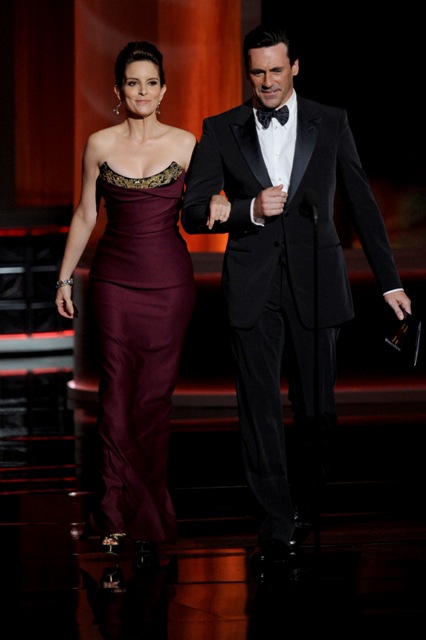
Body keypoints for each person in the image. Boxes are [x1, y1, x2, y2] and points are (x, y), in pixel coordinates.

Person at [181, 24, 411, 578]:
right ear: (248, 72)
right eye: (257, 72)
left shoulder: (331, 121)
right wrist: (248, 210)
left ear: (296, 67)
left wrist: (390, 282)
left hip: (316, 280)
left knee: (317, 411)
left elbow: (361, 201)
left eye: (276, 70)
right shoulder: (220, 128)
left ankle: (305, 505)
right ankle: (275, 522)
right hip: (252, 287)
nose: (267, 81)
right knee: (258, 411)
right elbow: (191, 212)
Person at [56, 41, 197, 571]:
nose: (142, 91)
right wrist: (64, 278)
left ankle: (149, 517)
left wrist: (225, 203)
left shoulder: (187, 144)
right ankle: (114, 516)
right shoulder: (99, 143)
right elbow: (85, 214)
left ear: (164, 89)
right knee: (115, 397)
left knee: (153, 401)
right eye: (133, 83)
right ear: (119, 90)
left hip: (169, 287)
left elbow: (203, 207)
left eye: (151, 82)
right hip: (114, 284)